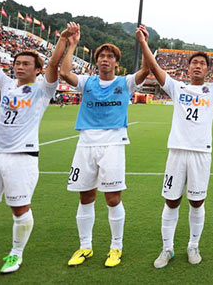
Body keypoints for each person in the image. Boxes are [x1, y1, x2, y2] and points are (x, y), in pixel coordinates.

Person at [136, 21, 213, 268]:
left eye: (202, 64)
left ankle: (193, 245)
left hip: (201, 154)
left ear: (207, 70)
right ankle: (167, 248)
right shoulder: (177, 86)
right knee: (171, 201)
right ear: (188, 67)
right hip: (177, 152)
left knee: (197, 202)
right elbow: (154, 67)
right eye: (194, 63)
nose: (198, 66)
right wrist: (143, 43)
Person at [60, 23, 149, 268]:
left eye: (110, 57)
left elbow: (146, 70)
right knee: (85, 196)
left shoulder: (125, 82)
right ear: (96, 61)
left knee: (112, 198)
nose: (105, 60)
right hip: (86, 143)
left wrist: (143, 43)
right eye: (101, 56)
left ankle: (116, 247)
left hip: (113, 145)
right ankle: (85, 246)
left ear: (117, 63)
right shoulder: (87, 82)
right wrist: (72, 44)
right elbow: (65, 74)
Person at [0, 27, 67, 273]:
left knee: (19, 208)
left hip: (22, 157)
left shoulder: (41, 89)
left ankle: (16, 253)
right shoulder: (6, 84)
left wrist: (61, 41)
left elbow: (55, 63)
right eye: (17, 63)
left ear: (37, 70)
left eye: (26, 63)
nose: (19, 66)